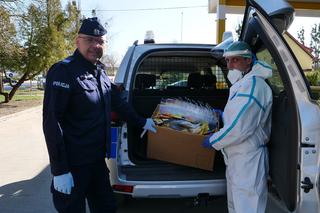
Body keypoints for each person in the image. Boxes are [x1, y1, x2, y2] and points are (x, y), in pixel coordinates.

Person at [42, 17, 156, 213]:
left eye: (100, 41)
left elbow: (118, 104)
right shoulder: (63, 72)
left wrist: (142, 121)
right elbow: (52, 122)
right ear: (77, 41)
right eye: (89, 40)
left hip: (96, 162)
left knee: (107, 208)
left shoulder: (100, 73)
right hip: (73, 164)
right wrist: (59, 170)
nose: (95, 45)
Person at [202, 41, 273, 213]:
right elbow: (240, 115)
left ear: (248, 61)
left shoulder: (253, 86)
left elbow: (240, 127)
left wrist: (214, 139)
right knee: (236, 205)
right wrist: (223, 114)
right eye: (227, 61)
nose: (229, 65)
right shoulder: (244, 83)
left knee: (248, 207)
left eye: (235, 60)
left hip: (248, 160)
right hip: (237, 157)